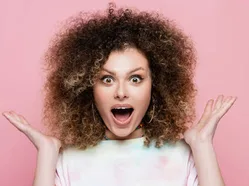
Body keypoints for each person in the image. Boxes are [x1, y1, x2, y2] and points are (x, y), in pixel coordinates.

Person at [2, 3, 236, 186]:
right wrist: (47, 153)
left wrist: (203, 145)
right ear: (88, 88)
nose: (121, 93)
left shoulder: (185, 155)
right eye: (107, 79)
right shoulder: (65, 161)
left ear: (156, 85)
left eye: (135, 79)